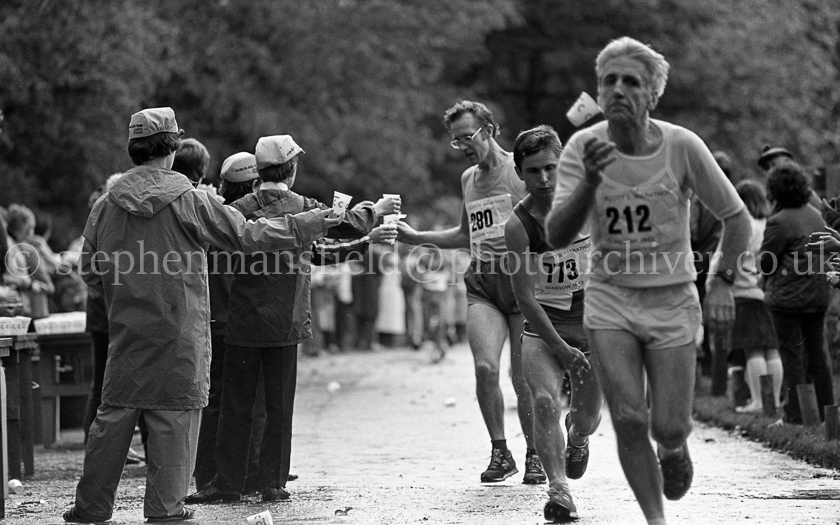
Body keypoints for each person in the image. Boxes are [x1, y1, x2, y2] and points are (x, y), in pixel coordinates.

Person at [63, 108, 339, 523]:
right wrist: (311, 222)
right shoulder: (191, 200)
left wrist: (128, 291)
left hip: (127, 329)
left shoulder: (106, 204)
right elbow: (249, 235)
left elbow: (88, 269)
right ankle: (164, 508)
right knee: (176, 416)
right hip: (181, 330)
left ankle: (91, 507)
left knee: (115, 413)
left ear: (133, 148)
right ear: (172, 147)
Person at [545, 37, 750, 525]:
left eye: (631, 82)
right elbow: (555, 235)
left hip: (672, 298)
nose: (618, 89)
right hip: (610, 299)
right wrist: (590, 183)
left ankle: (674, 447)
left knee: (668, 425)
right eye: (608, 81)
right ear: (598, 90)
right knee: (629, 418)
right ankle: (656, 520)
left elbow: (737, 219)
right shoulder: (583, 148)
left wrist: (722, 282)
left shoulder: (682, 146)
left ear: (653, 94)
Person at [185, 135, 398, 504]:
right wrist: (375, 210)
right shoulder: (305, 207)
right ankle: (273, 482)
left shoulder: (239, 208)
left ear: (259, 170)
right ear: (292, 170)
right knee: (279, 406)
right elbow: (345, 224)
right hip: (286, 320)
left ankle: (227, 483)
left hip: (243, 320)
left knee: (236, 404)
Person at [397, 100, 544, 484]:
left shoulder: (521, 171)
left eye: (466, 136)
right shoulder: (468, 180)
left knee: (522, 376)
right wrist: (415, 237)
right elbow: (465, 235)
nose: (461, 145)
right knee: (485, 368)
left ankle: (536, 454)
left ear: (489, 130)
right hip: (483, 282)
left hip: (522, 281)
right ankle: (500, 452)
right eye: (455, 139)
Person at [505, 125, 603, 522]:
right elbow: (525, 298)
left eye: (551, 167)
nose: (544, 178)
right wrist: (560, 347)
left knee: (588, 419)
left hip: (593, 326)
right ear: (520, 173)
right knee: (544, 402)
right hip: (543, 329)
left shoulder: (590, 203)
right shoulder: (518, 226)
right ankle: (559, 491)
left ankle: (577, 437)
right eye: (533, 171)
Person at [760, 161, 834, 424]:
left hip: (787, 299)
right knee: (817, 356)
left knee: (792, 357)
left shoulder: (779, 222)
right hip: (817, 294)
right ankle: (826, 412)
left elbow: (766, 262)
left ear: (775, 190)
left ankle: (794, 414)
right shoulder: (816, 216)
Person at [709, 180, 782, 414]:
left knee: (753, 350)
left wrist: (713, 282)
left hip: (743, 292)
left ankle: (758, 401)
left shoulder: (742, 227)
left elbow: (723, 257)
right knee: (771, 349)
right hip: (766, 293)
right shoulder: (769, 224)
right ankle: (774, 400)